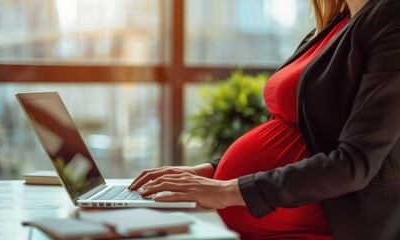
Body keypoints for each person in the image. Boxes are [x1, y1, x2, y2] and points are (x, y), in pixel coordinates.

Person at [129, 0, 400, 239]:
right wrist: (212, 170)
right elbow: (306, 129)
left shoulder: (391, 18)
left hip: (319, 229)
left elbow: (354, 164)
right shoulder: (336, 24)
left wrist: (226, 190)